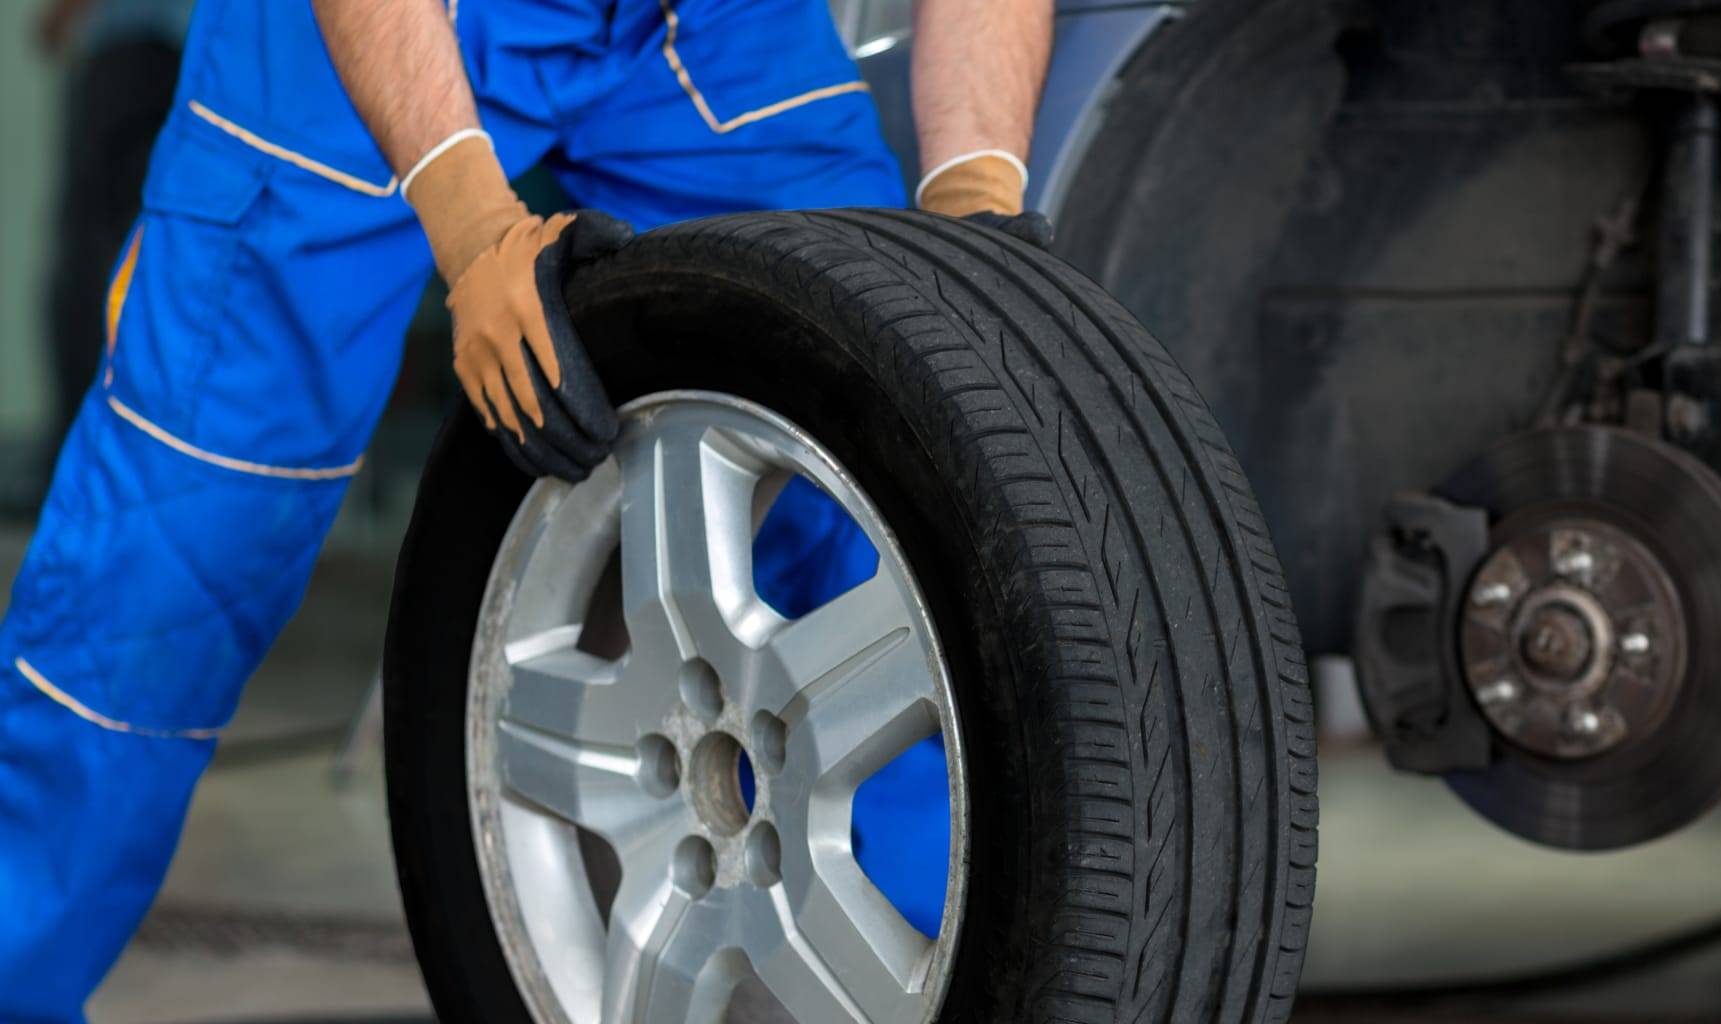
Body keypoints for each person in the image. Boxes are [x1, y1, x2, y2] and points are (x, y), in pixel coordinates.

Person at [0, 0, 1051, 1017]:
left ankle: (952, 972)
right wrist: (470, 228)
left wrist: (974, 210)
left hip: (705, 22)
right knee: (183, 548)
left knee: (893, 434)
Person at [33, 0, 194, 472]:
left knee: (93, 256)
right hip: (172, 64)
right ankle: (132, 446)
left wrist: (62, 15)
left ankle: (91, 451)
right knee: (140, 248)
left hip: (125, 61)